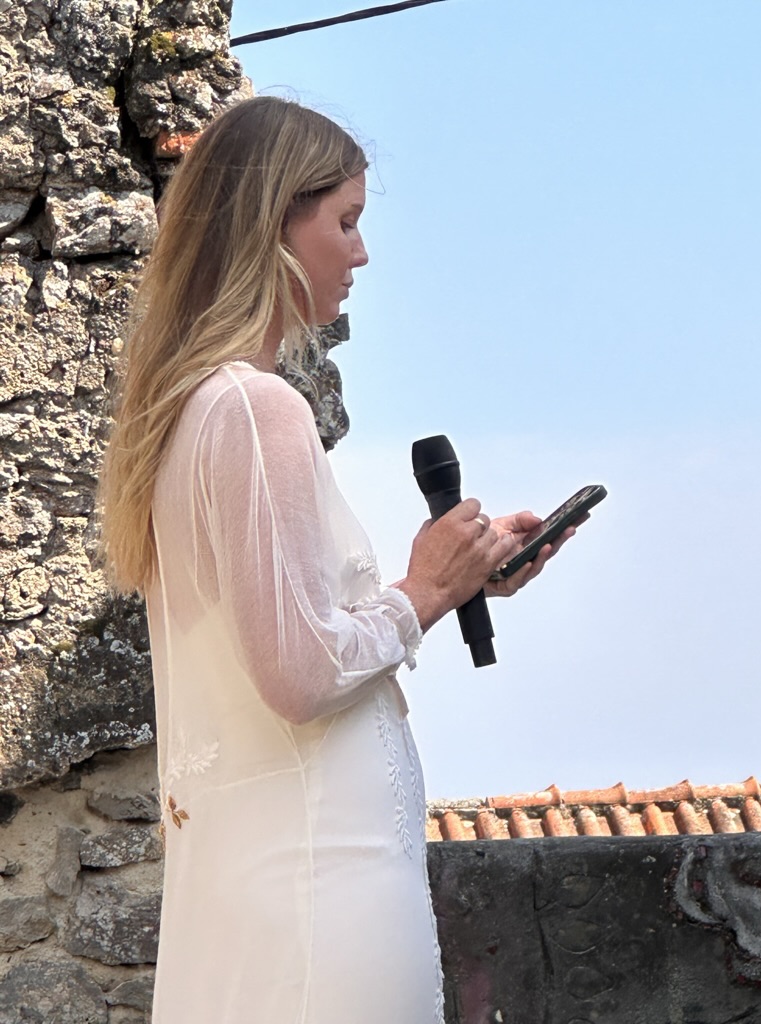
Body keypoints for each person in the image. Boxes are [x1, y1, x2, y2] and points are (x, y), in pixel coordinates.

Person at [99, 96, 575, 1024]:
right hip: (320, 887)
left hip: (270, 878)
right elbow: (301, 671)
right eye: (346, 221)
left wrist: (458, 578)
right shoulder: (256, 408)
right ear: (274, 223)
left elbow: (282, 639)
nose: (362, 255)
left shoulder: (191, 413)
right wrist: (425, 589)